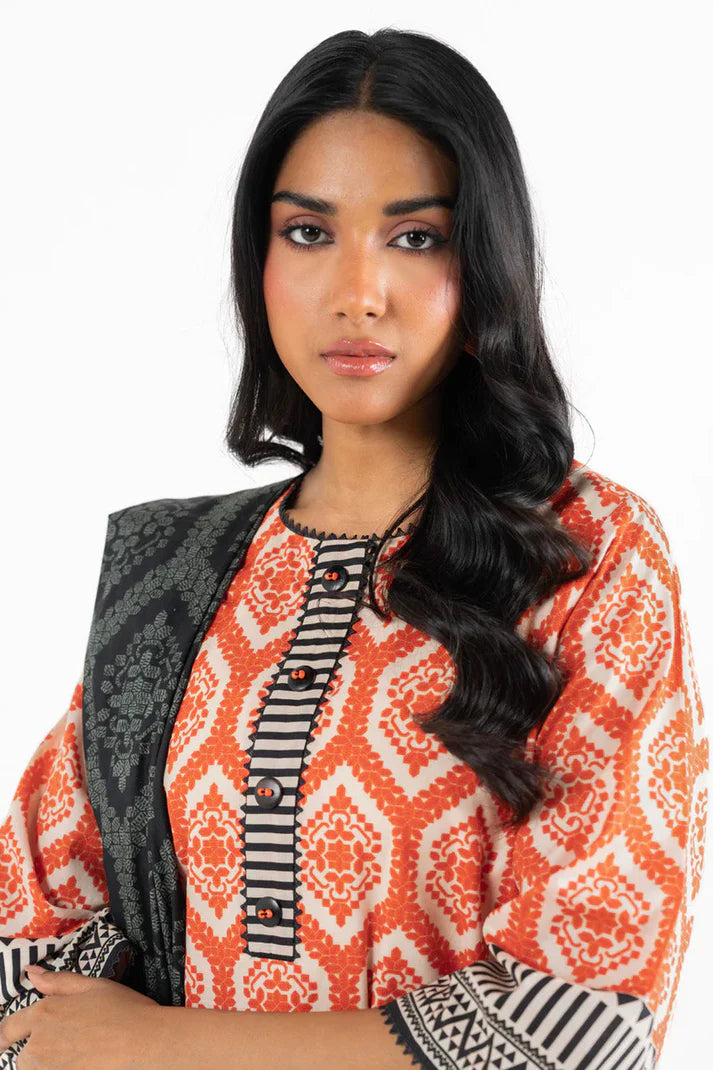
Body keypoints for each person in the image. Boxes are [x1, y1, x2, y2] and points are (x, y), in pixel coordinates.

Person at [0, 26, 707, 1070]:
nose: (357, 291)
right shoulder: (177, 574)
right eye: (308, 232)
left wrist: (159, 1043)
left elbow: (581, 1028)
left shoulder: (583, 556)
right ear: (257, 260)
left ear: (483, 264)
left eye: (414, 237)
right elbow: (29, 948)